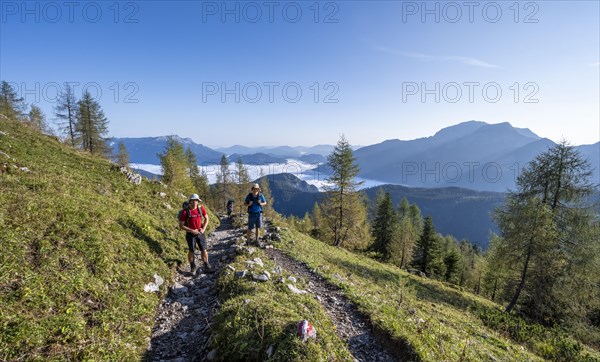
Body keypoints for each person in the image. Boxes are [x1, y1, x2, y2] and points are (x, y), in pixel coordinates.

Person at [179, 194, 211, 273]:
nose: (195, 203)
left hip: (200, 233)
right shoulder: (185, 212)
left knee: (204, 250)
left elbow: (207, 218)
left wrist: (203, 229)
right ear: (190, 201)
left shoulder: (201, 209)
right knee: (191, 250)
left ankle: (206, 265)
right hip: (190, 235)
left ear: (198, 201)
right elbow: (181, 225)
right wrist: (191, 230)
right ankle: (193, 267)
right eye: (193, 201)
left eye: (196, 201)